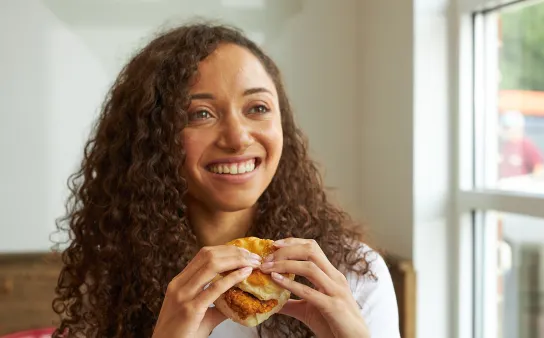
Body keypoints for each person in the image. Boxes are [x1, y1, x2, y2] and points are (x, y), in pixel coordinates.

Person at [51, 22, 399, 338]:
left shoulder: (352, 275)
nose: (237, 138)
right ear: (153, 140)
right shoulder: (114, 281)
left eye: (257, 108)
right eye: (200, 114)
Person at [498, 110, 544, 178]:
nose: (505, 131)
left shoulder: (526, 146)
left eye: (507, 128)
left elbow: (539, 169)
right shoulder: (500, 145)